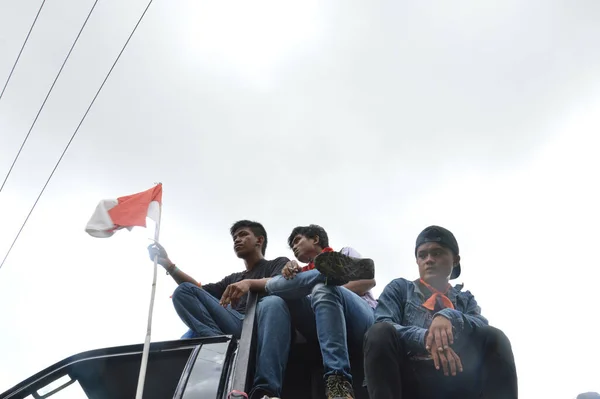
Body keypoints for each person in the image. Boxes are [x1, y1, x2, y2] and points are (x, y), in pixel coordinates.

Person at [363, 225, 518, 399]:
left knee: (495, 336)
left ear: (455, 260)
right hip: (410, 377)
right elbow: (384, 321)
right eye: (422, 255)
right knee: (379, 332)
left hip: (456, 377)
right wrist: (427, 338)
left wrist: (449, 316)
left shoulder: (464, 299)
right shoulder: (399, 289)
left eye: (437, 253)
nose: (428, 260)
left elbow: (480, 324)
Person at [240, 224, 376, 399]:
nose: (294, 247)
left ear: (316, 239)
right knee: (279, 297)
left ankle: (338, 381)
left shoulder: (345, 253)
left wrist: (326, 286)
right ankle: (325, 275)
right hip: (322, 326)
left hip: (360, 320)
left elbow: (367, 280)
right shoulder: (300, 272)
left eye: (297, 241)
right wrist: (294, 278)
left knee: (322, 288)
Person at [147, 220, 288, 340]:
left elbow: (280, 283)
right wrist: (168, 265)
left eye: (243, 235)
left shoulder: (276, 263)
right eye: (234, 238)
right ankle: (216, 341)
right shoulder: (233, 278)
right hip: (232, 323)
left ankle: (215, 342)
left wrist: (249, 284)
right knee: (183, 292)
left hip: (260, 324)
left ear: (259, 240)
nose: (237, 240)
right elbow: (198, 291)